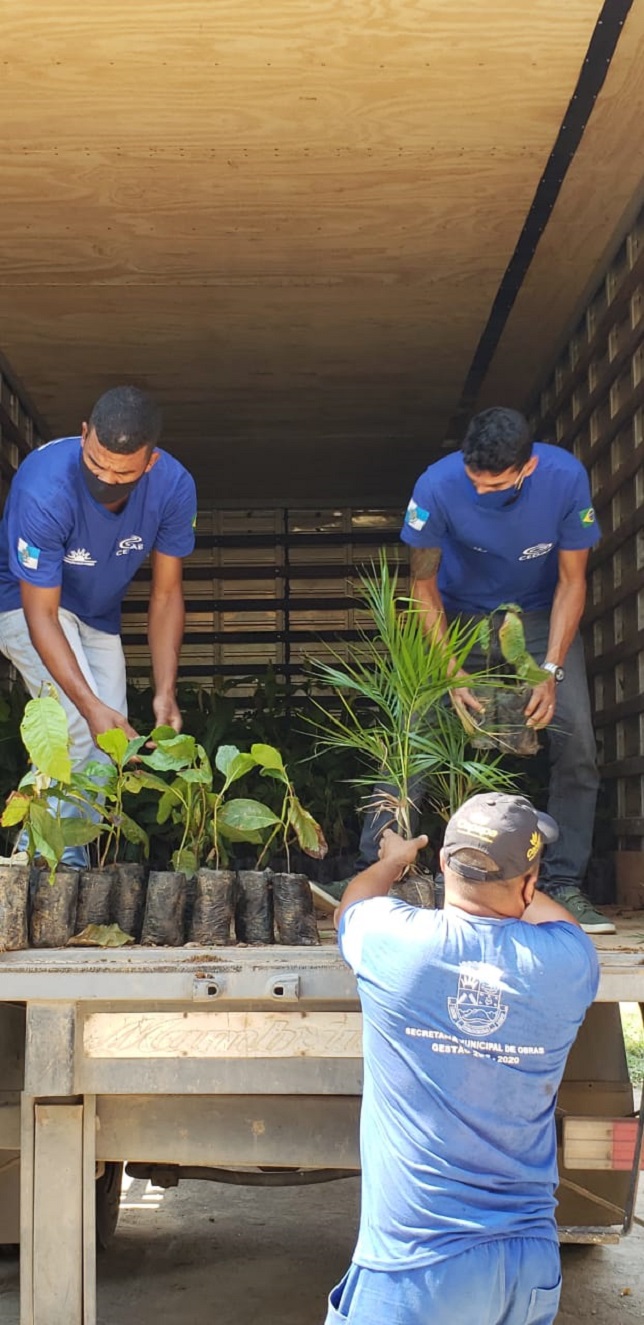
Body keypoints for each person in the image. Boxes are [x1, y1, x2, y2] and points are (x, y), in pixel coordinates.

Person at [326, 792, 599, 1325]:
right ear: (529, 882)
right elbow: (555, 919)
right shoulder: (568, 963)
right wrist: (522, 886)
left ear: (444, 864)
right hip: (528, 1268)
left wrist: (394, 860)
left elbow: (352, 904)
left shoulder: (393, 942)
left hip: (416, 1268)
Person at [355, 405, 613, 934]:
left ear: (527, 468)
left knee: (578, 740)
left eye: (496, 486)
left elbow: (573, 581)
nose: (482, 494)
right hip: (457, 616)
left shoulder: (564, 479)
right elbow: (423, 587)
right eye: (475, 482)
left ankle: (563, 884)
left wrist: (551, 669)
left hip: (541, 616)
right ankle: (377, 867)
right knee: (414, 731)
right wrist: (448, 670)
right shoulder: (436, 486)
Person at [0, 385, 197, 866]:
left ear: (149, 462)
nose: (106, 478)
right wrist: (87, 703)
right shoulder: (43, 489)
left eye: (123, 472)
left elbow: (167, 594)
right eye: (97, 464)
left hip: (98, 614)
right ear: (83, 434)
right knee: (75, 722)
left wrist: (165, 691)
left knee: (113, 741)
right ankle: (39, 865)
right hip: (23, 605)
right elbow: (41, 614)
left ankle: (75, 858)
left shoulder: (173, 486)